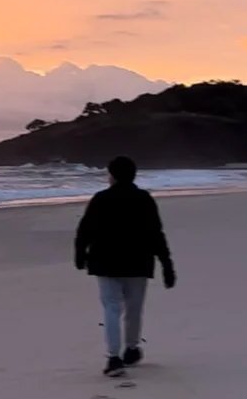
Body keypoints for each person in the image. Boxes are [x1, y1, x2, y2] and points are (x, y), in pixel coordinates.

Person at [74, 155, 176, 377]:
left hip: (105, 261)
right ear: (134, 175)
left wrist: (80, 254)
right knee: (134, 309)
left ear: (111, 175)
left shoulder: (101, 199)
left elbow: (85, 230)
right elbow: (156, 234)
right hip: (138, 261)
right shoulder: (144, 199)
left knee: (111, 308)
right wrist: (166, 264)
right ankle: (131, 349)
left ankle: (113, 357)